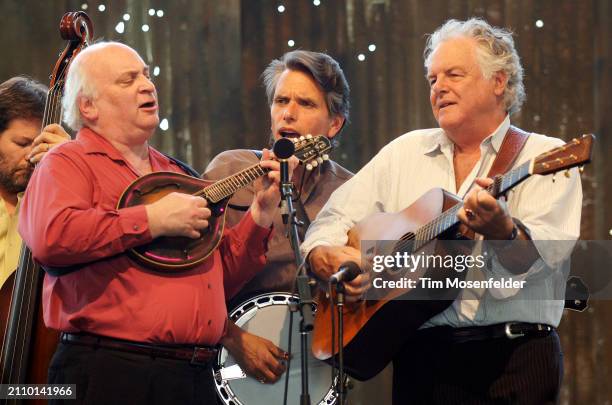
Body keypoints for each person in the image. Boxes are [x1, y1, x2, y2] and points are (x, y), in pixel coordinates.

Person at [302, 18, 582, 404]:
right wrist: (326, 255)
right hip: (422, 362)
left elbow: (538, 260)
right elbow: (331, 220)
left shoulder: (545, 157)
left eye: (453, 74)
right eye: (433, 79)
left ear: (498, 82)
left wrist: (503, 232)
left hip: (516, 360)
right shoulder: (404, 152)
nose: (439, 88)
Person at [18, 42, 291, 405]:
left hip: (194, 376)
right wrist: (152, 219)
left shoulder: (177, 174)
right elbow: (51, 238)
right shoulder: (68, 162)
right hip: (112, 373)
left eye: (146, 76)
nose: (147, 86)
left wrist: (261, 213)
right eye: (127, 80)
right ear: (88, 106)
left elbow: (218, 276)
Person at [203, 50, 353, 384]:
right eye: (281, 100)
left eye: (306, 103)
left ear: (334, 123)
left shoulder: (350, 191)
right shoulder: (230, 169)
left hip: (313, 369)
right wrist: (233, 338)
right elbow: (193, 281)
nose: (288, 113)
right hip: (228, 364)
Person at [0, 76, 70, 290]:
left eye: (40, 143)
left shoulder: (54, 203)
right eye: (22, 143)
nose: (32, 155)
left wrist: (71, 161)